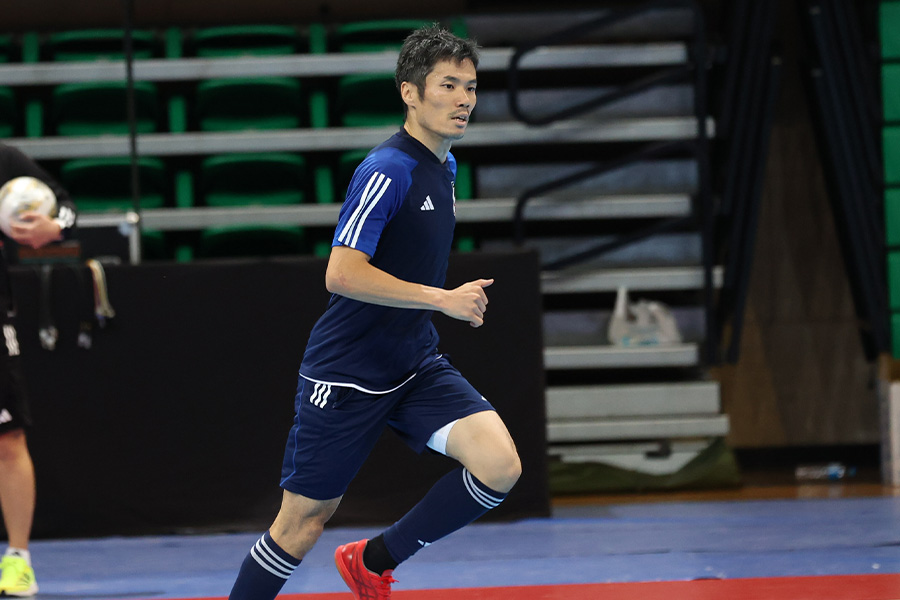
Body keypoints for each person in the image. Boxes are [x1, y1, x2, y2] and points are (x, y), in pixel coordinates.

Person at [228, 24, 521, 600]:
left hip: (413, 362)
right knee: (300, 526)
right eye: (448, 85)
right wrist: (441, 298)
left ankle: (373, 560)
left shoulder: (446, 166)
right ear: (410, 92)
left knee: (500, 466)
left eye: (471, 86)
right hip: (347, 372)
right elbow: (341, 272)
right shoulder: (388, 169)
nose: (464, 99)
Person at [0, 143, 77, 597]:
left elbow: (65, 207)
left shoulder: (5, 161)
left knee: (8, 437)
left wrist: (52, 226)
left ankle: (18, 562)